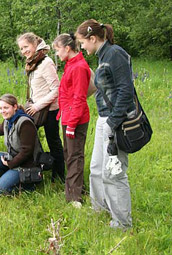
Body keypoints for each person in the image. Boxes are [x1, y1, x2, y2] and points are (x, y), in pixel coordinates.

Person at [76, 19, 136, 229]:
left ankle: (121, 223)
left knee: (114, 173)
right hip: (104, 119)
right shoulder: (102, 56)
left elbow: (126, 90)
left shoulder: (115, 54)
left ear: (93, 38)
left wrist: (113, 121)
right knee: (96, 169)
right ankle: (99, 208)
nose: (82, 47)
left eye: (83, 42)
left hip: (115, 121)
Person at [17, 32, 65, 183]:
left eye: (26, 47)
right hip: (35, 109)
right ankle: (32, 171)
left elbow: (56, 90)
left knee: (53, 142)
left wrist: (37, 106)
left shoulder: (46, 62)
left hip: (49, 110)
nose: (24, 51)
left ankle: (59, 176)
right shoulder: (33, 62)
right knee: (29, 140)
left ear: (35, 44)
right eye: (21, 48)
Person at [52, 33, 91, 208]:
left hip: (76, 118)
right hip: (67, 117)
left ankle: (74, 198)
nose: (57, 54)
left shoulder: (79, 67)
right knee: (70, 154)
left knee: (74, 156)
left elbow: (79, 98)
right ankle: (77, 189)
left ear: (67, 48)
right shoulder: (70, 65)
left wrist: (72, 124)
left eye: (58, 50)